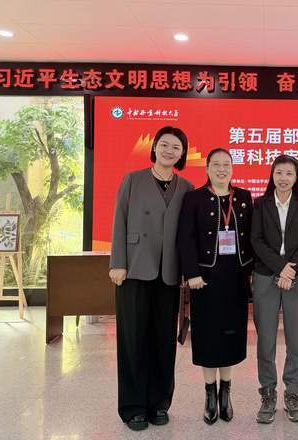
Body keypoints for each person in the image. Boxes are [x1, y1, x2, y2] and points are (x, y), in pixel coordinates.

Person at [108, 126, 194, 431]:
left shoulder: (186, 187)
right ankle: (133, 407)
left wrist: (188, 271)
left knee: (163, 340)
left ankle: (159, 403)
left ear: (182, 154)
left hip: (168, 272)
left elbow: (188, 234)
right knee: (133, 339)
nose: (170, 151)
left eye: (176, 147)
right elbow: (119, 219)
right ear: (154, 147)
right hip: (134, 268)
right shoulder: (133, 180)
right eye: (165, 145)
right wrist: (118, 262)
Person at [178, 148, 253, 425]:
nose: (222, 169)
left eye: (226, 165)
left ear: (232, 168)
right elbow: (185, 238)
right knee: (208, 336)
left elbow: (252, 236)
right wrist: (191, 273)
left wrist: (252, 271)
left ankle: (226, 393)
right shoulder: (194, 198)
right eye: (216, 165)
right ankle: (210, 393)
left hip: (235, 277)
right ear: (207, 168)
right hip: (205, 279)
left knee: (231, 335)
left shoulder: (243, 197)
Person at [250, 155, 298, 424]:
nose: (284, 178)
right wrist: (281, 268)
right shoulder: (260, 204)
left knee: (296, 339)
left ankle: (292, 393)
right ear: (272, 175)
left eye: (289, 173)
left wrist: (291, 269)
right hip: (266, 276)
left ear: (296, 177)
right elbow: (256, 240)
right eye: (279, 173)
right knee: (265, 339)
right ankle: (268, 393)